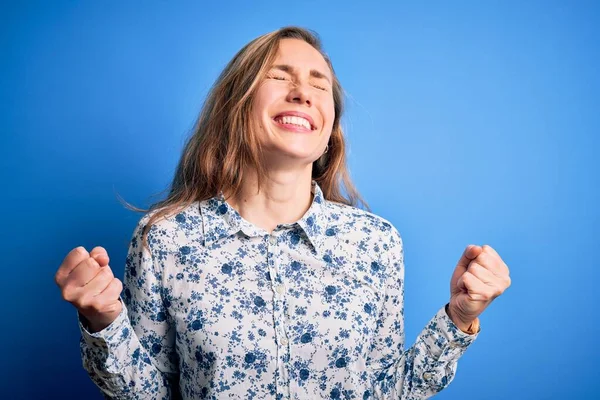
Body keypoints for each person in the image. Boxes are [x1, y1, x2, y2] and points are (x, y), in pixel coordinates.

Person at [54, 26, 511, 399]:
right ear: (237, 104)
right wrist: (105, 322)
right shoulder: (165, 239)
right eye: (279, 76)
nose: (302, 93)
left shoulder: (375, 243)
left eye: (319, 85)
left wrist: (458, 317)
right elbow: (148, 394)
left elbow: (390, 391)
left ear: (329, 127)